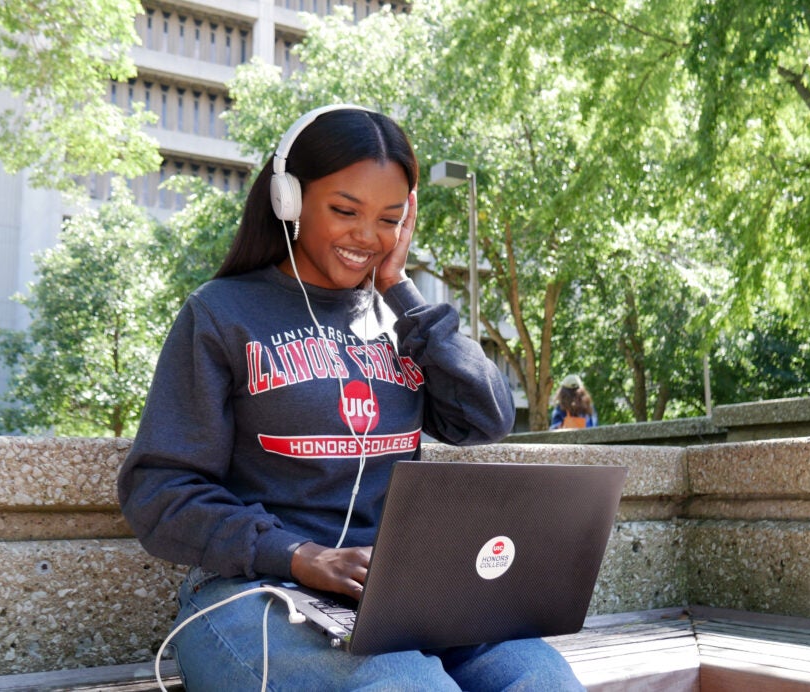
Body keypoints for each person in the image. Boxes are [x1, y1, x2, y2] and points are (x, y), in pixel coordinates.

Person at [117, 105, 584, 691]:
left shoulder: (400, 321)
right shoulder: (220, 314)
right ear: (289, 198)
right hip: (254, 596)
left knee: (546, 684)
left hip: (401, 595)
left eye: (389, 218)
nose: (367, 236)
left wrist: (401, 290)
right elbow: (160, 494)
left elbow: (485, 419)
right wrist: (300, 555)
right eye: (345, 211)